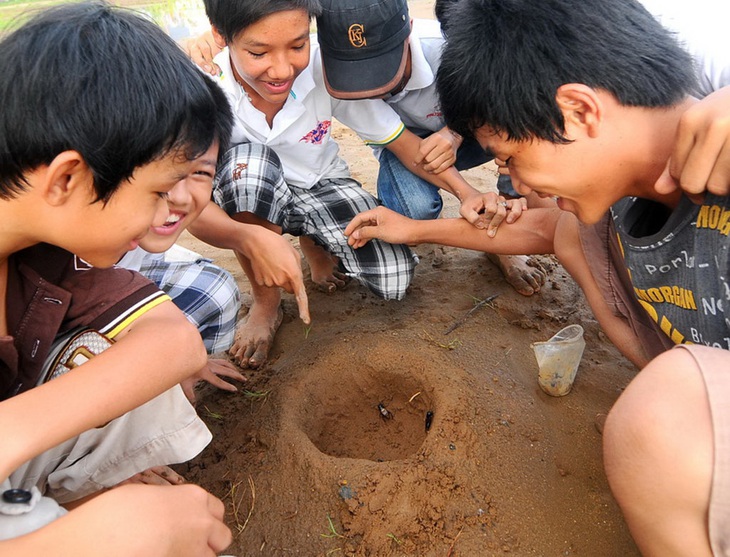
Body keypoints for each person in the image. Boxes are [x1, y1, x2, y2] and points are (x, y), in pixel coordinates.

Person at [345, 0, 730, 554]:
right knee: (576, 232)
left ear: (578, 111)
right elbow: (550, 229)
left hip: (679, 402)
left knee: (661, 417)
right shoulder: (618, 187)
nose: (512, 181)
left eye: (508, 158)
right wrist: (413, 229)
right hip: (691, 372)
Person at [0, 3, 232, 554]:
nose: (166, 215)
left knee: (110, 356)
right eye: (157, 192)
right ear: (68, 178)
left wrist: (11, 433)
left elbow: (175, 341)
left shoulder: (43, 245)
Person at [187, 0, 420, 370]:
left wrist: (468, 192)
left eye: (297, 46)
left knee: (395, 280)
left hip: (319, 183)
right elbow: (190, 206)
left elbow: (398, 139)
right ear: (220, 36)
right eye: (258, 52)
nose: (282, 69)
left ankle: (313, 246)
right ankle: (266, 304)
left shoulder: (326, 71)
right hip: (253, 192)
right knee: (251, 167)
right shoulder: (202, 86)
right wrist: (251, 239)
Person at [317, 0, 546, 296]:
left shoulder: (451, 47)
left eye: (381, 65)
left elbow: (504, 101)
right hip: (406, 147)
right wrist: (467, 193)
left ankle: (501, 236)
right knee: (413, 207)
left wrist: (455, 131)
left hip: (475, 129)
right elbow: (406, 148)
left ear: (408, 31)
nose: (371, 84)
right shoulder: (337, 78)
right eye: (357, 71)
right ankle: (484, 226)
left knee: (516, 134)